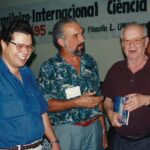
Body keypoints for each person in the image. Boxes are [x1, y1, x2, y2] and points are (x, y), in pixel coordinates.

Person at [38, 18, 107, 150]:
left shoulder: (90, 62)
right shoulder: (49, 67)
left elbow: (98, 100)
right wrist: (77, 102)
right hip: (67, 131)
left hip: (94, 128)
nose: (82, 39)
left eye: (82, 33)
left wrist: (103, 130)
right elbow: (45, 105)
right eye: (76, 36)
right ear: (61, 42)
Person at [0, 19, 60, 150]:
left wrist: (54, 141)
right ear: (3, 44)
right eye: (19, 45)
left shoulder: (28, 74)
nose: (25, 51)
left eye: (29, 47)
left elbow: (42, 112)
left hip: (39, 146)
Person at [102, 22, 150, 150]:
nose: (131, 45)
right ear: (122, 44)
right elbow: (107, 100)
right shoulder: (115, 69)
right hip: (119, 141)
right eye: (126, 40)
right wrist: (110, 112)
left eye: (136, 40)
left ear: (146, 42)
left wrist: (145, 100)